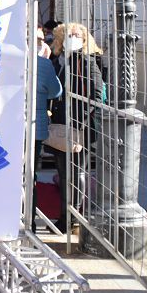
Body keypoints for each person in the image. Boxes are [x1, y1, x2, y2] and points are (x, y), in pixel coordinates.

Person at [49, 22, 104, 232]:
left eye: (77, 35)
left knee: (76, 172)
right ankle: (66, 217)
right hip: (59, 125)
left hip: (78, 127)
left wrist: (79, 119)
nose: (73, 38)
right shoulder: (58, 61)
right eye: (69, 35)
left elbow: (97, 95)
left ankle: (74, 218)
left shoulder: (87, 61)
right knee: (63, 173)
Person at [32, 44, 63, 231]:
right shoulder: (42, 64)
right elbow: (55, 91)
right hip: (34, 127)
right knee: (29, 176)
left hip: (6, 128)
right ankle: (29, 224)